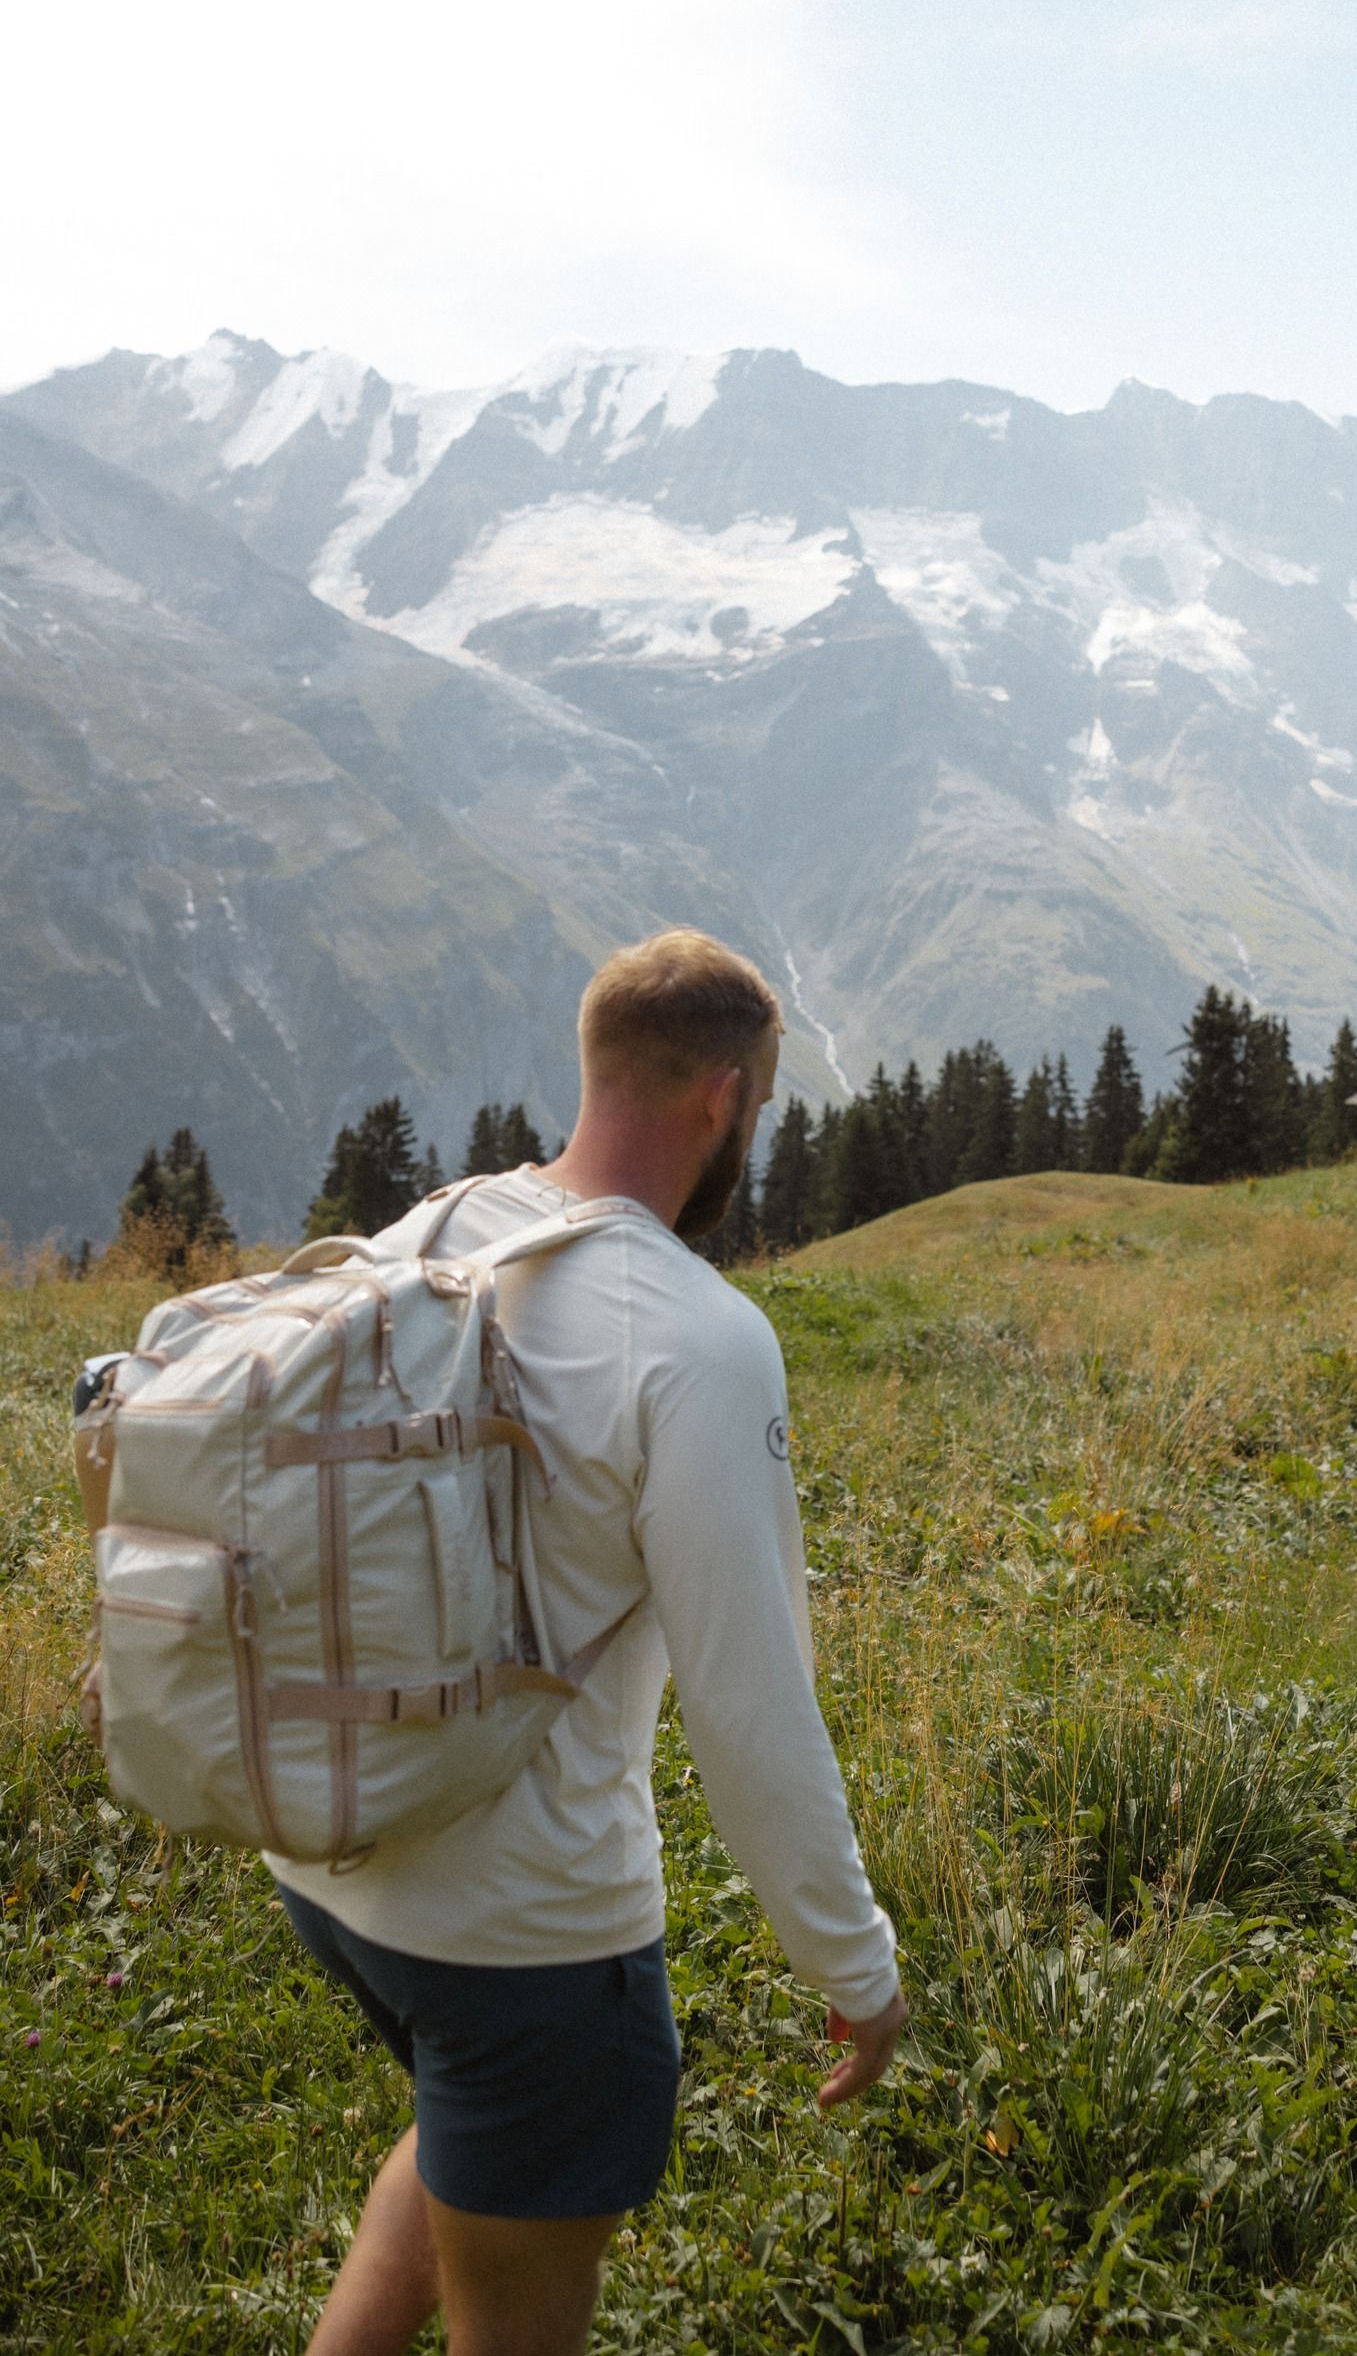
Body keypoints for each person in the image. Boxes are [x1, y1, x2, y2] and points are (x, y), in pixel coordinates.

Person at [272, 930, 907, 2356]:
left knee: (466, 2128)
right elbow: (752, 1720)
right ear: (726, 1101)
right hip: (532, 1943)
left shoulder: (420, 1236)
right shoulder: (698, 1336)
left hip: (335, 1866)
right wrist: (857, 1971)